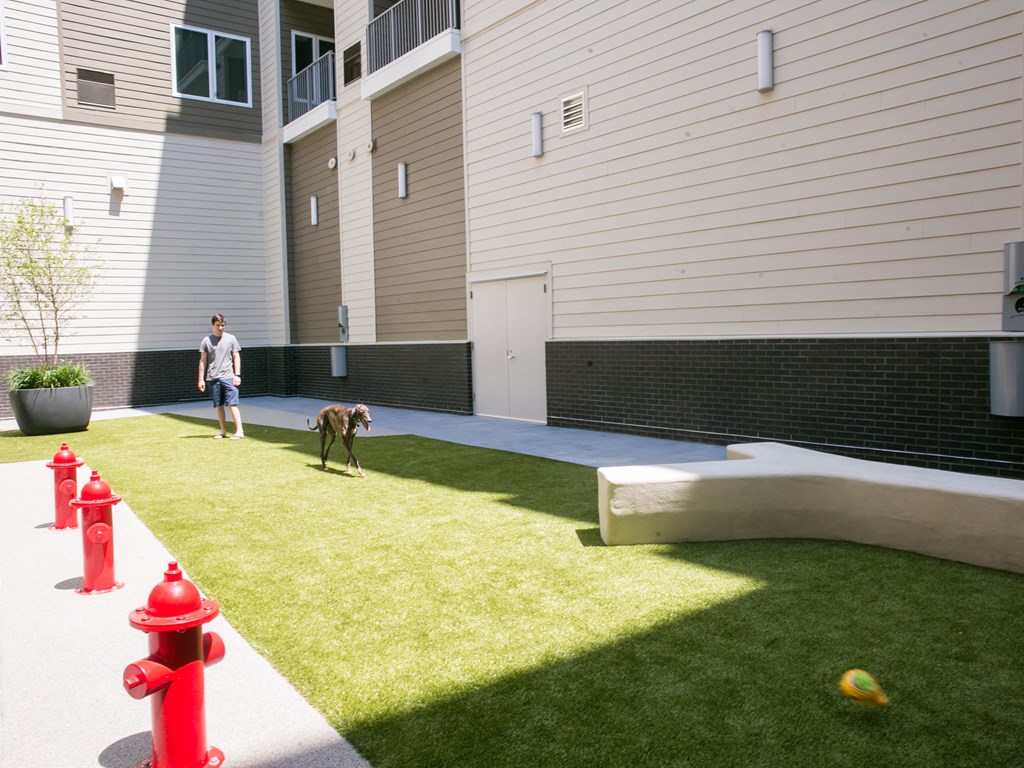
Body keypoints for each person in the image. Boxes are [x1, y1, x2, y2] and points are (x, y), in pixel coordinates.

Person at [198, 313, 245, 439]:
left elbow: (236, 356)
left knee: (232, 404)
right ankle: (223, 431)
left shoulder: (231, 339)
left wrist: (237, 375)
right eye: (218, 325)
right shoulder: (206, 341)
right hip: (212, 378)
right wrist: (200, 379)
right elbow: (202, 360)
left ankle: (239, 431)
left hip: (229, 377)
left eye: (223, 325)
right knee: (219, 405)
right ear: (212, 325)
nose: (220, 328)